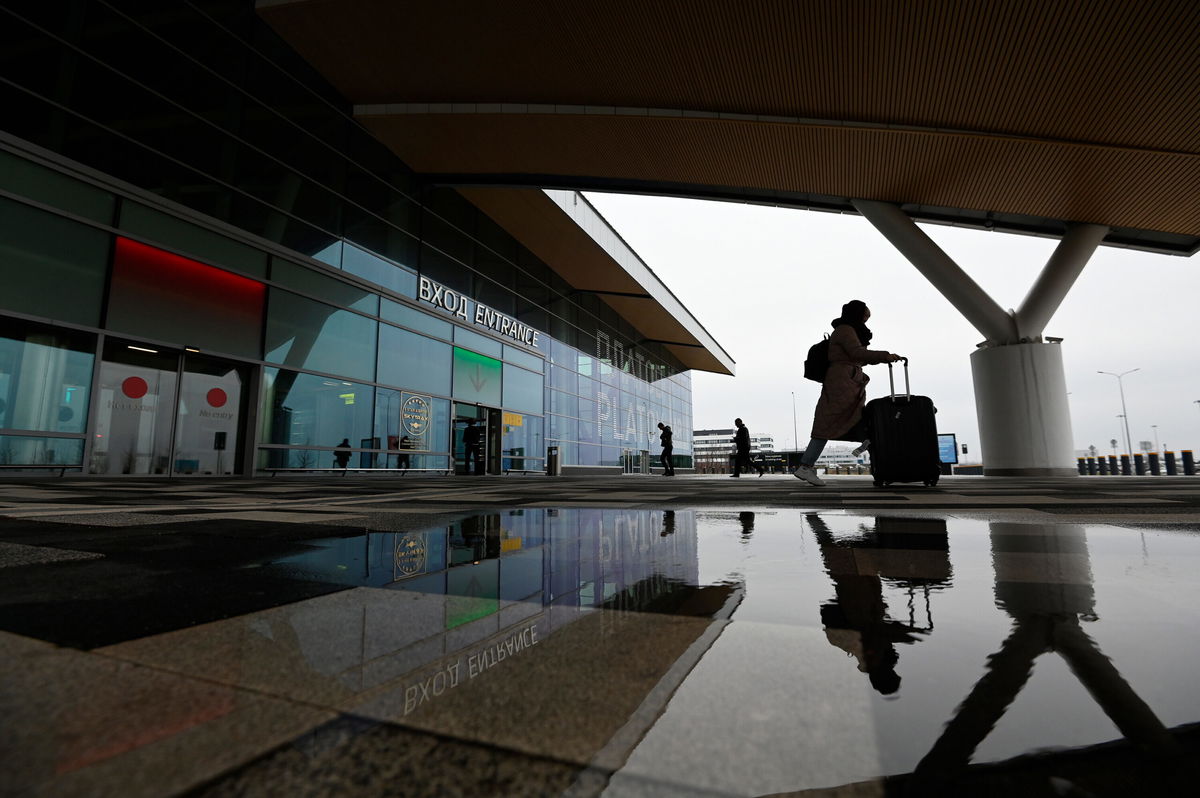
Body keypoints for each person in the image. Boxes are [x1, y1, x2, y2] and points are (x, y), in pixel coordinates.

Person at [795, 300, 901, 486]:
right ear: (856, 314)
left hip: (847, 380)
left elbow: (858, 356)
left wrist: (878, 358)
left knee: (851, 416)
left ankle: (867, 443)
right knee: (828, 422)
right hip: (842, 381)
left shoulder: (849, 330)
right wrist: (885, 356)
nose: (866, 320)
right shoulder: (845, 330)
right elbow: (857, 353)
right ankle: (806, 465)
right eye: (865, 316)